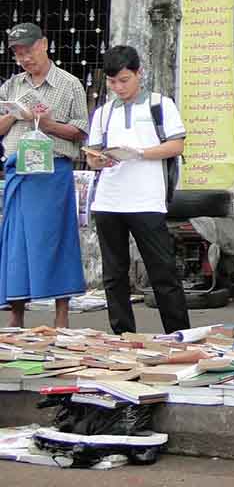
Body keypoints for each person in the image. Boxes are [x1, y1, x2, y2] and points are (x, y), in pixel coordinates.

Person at [85, 45, 190, 336]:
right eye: (112, 82)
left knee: (163, 271)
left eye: (124, 80)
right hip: (109, 201)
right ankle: (122, 335)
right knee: (114, 275)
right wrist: (98, 159)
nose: (118, 87)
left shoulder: (160, 104)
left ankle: (179, 335)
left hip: (146, 200)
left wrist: (140, 153)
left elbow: (176, 145)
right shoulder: (104, 112)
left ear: (138, 74)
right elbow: (92, 154)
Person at [0, 23, 87, 328]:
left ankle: (61, 316)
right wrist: (14, 114)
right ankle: (16, 315)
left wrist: (48, 124)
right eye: (18, 53)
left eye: (29, 50)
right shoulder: (12, 85)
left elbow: (79, 132)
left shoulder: (69, 83)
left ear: (44, 45)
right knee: (15, 244)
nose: (25, 58)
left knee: (56, 240)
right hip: (19, 173)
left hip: (52, 172)